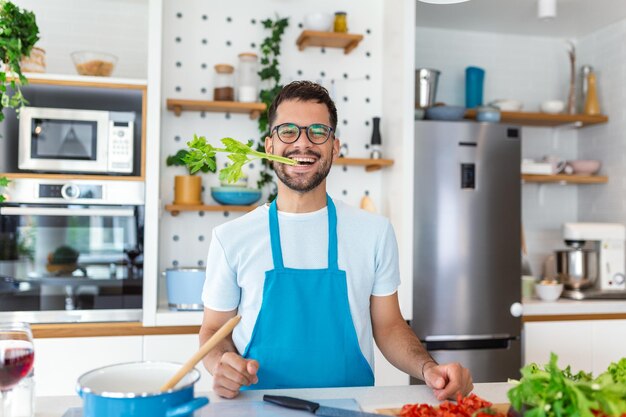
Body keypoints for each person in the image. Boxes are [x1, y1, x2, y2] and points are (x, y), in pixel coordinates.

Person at [199, 80, 473, 399]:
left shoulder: (374, 232)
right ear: (269, 146)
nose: (303, 143)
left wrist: (429, 369)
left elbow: (389, 326)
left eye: (318, 131)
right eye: (288, 131)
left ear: (335, 147)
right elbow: (213, 330)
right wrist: (221, 363)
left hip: (350, 407)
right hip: (258, 406)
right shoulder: (231, 238)